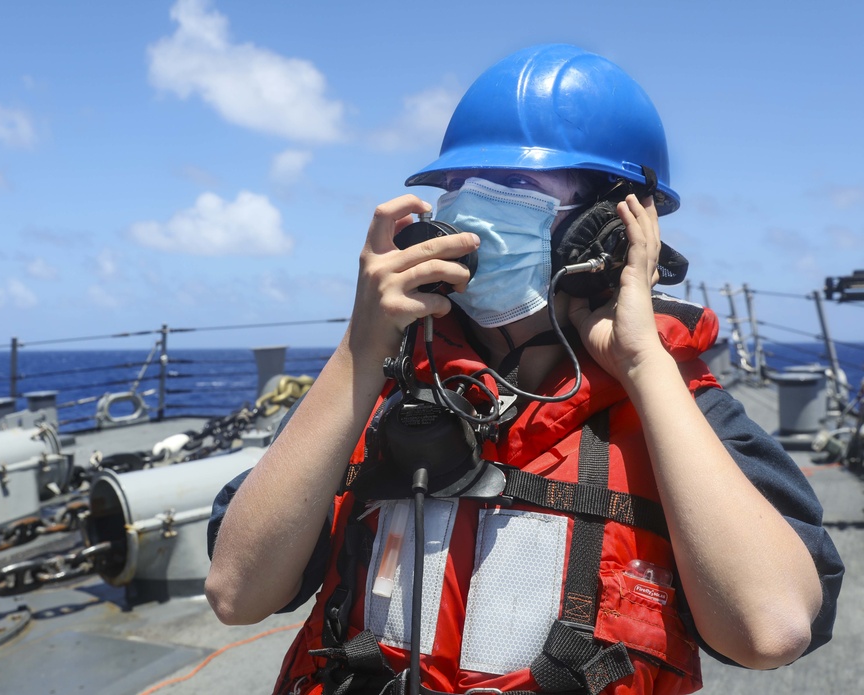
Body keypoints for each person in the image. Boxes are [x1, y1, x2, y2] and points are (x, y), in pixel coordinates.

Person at [205, 44, 843, 695]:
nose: (473, 213)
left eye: (517, 187)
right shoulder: (372, 394)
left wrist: (644, 363)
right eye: (460, 187)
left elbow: (770, 630)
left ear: (606, 230)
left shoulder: (687, 422)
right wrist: (359, 353)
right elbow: (237, 592)